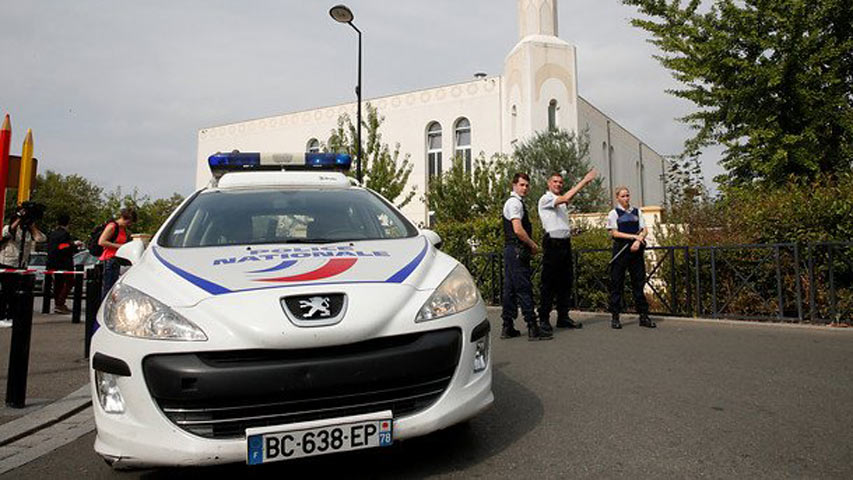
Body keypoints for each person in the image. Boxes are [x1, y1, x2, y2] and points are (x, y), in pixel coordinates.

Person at [537, 169, 597, 334]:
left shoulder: (561, 204)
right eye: (555, 182)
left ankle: (563, 316)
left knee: (565, 282)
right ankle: (543, 319)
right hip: (553, 244)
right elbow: (566, 197)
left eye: (560, 182)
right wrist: (584, 181)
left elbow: (561, 218)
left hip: (564, 243)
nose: (558, 184)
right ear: (549, 184)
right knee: (549, 283)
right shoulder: (546, 198)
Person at [501, 173, 552, 341]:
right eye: (522, 185)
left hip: (511, 250)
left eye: (527, 185)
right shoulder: (515, 203)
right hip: (517, 250)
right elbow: (518, 229)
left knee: (510, 289)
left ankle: (507, 326)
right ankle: (532, 327)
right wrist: (532, 244)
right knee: (523, 288)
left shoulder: (514, 202)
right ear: (514, 185)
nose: (525, 188)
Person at [606, 186, 656, 329]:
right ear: (617, 198)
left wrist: (638, 240)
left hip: (636, 250)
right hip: (621, 251)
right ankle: (615, 317)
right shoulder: (613, 213)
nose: (626, 198)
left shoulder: (636, 211)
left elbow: (644, 229)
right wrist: (633, 236)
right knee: (617, 284)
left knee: (639, 284)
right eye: (623, 196)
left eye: (627, 195)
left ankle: (644, 316)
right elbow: (614, 233)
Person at [0, 204, 47, 326]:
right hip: (8, 263)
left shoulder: (28, 231)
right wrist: (19, 218)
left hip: (21, 265)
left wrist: (32, 227)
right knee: (6, 292)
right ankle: (2, 317)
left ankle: (12, 316)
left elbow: (40, 239)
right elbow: (6, 234)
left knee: (16, 293)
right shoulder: (10, 228)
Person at [99, 207, 136, 299]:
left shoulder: (122, 229)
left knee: (113, 289)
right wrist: (120, 247)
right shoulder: (112, 226)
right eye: (129, 222)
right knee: (107, 289)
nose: (129, 224)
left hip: (116, 260)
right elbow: (102, 241)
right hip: (109, 259)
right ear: (124, 218)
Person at [46, 213, 80, 314]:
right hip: (64, 262)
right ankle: (60, 303)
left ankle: (58, 303)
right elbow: (62, 247)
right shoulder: (64, 234)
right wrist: (73, 244)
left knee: (58, 283)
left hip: (53, 262)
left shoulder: (52, 233)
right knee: (70, 282)